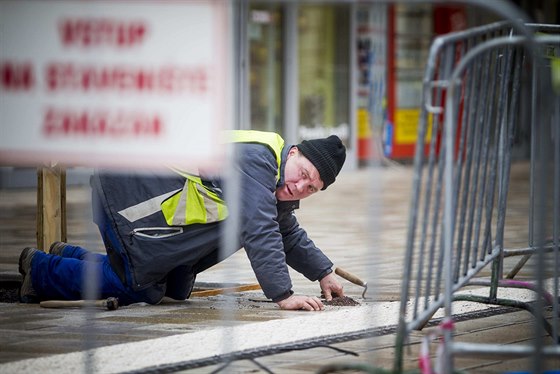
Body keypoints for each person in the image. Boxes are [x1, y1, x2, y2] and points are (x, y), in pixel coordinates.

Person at [19, 130, 346, 311]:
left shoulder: (274, 181)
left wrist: (323, 272)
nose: (300, 187)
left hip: (146, 209)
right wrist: (283, 295)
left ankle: (70, 256)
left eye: (311, 189)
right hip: (129, 195)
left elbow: (285, 231)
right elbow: (261, 230)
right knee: (138, 287)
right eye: (303, 175)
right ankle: (40, 269)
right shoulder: (257, 160)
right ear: (292, 154)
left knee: (168, 290)